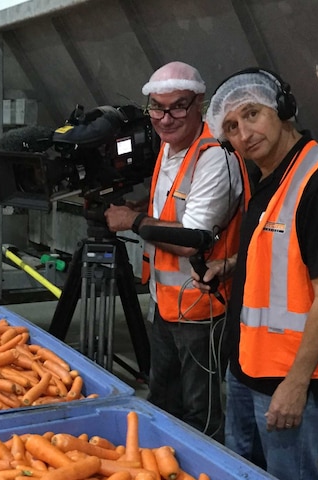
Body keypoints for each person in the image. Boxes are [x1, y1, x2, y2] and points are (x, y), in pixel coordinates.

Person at [198, 68, 318, 480]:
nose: (244, 133)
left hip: (286, 379)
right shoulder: (270, 176)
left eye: (252, 114)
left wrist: (296, 384)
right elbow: (280, 254)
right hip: (245, 365)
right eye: (231, 127)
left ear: (283, 110)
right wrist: (231, 265)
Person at [104, 61, 247, 439]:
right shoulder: (169, 148)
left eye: (178, 106)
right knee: (164, 399)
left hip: (201, 308)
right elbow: (171, 209)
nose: (165, 119)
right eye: (157, 107)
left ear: (199, 102)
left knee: (201, 414)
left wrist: (130, 222)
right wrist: (138, 211)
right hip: (165, 303)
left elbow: (193, 236)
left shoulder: (214, 155)